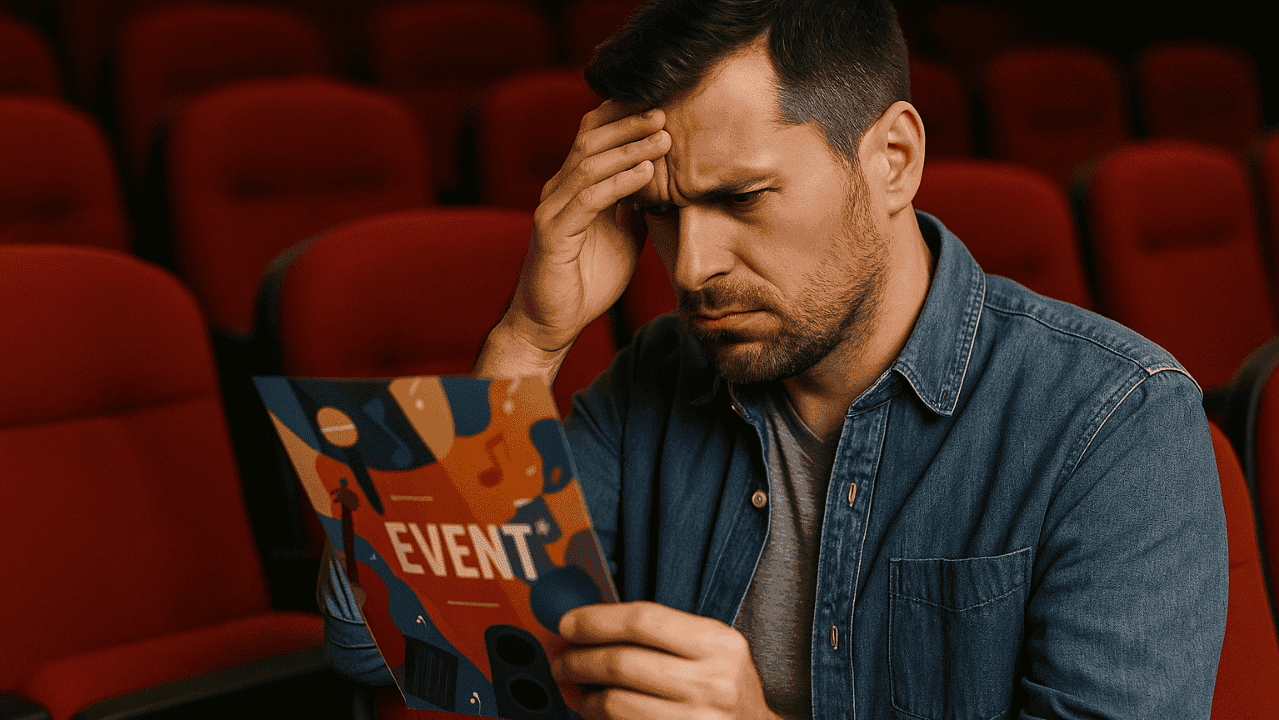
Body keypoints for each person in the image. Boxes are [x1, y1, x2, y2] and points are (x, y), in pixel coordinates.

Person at [319, 1, 1229, 718]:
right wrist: (530, 337)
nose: (689, 268)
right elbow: (375, 642)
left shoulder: (1116, 420)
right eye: (664, 214)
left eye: (742, 199)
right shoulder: (654, 382)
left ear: (894, 160)